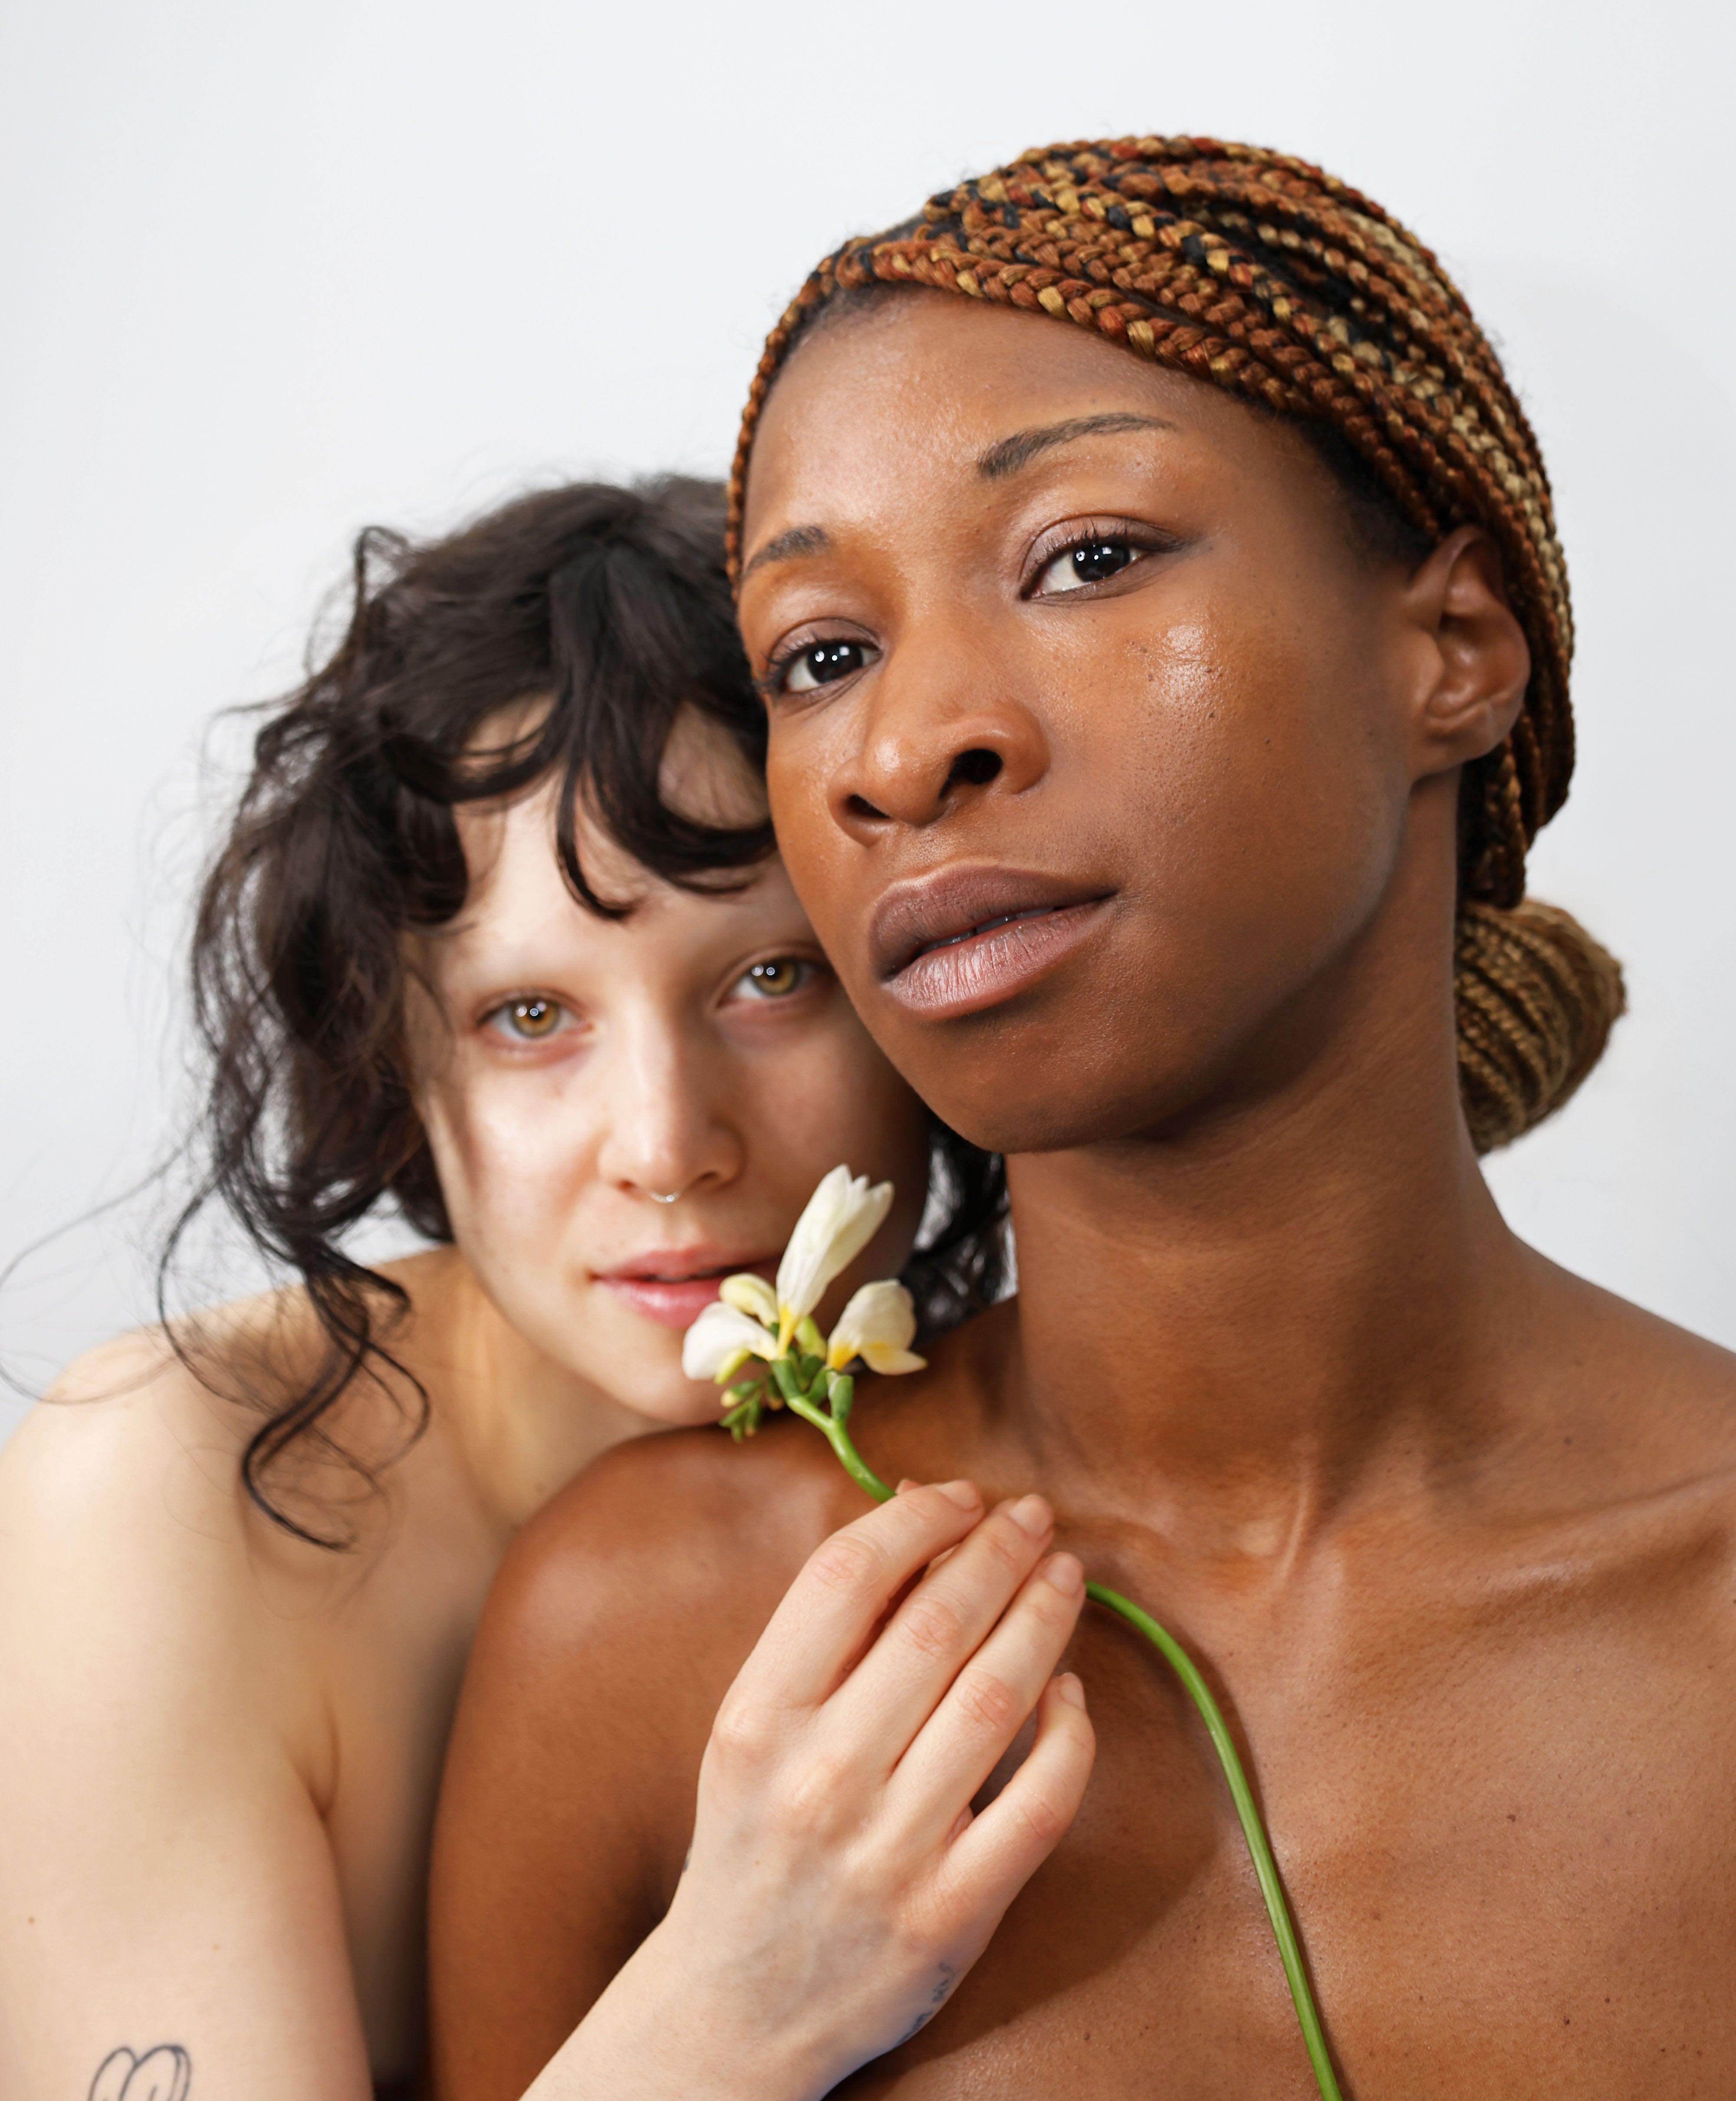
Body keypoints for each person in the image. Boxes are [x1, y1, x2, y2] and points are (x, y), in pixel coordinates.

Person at [427, 137, 1736, 2101]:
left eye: (1088, 557)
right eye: (822, 657)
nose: (898, 746)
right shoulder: (658, 1635)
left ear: (1450, 653)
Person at [0, 477, 1001, 2101]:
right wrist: (726, 2021)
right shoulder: (166, 1495)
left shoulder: (1002, 1501)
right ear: (392, 1057)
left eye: (769, 979)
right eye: (532, 1018)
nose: (668, 1146)